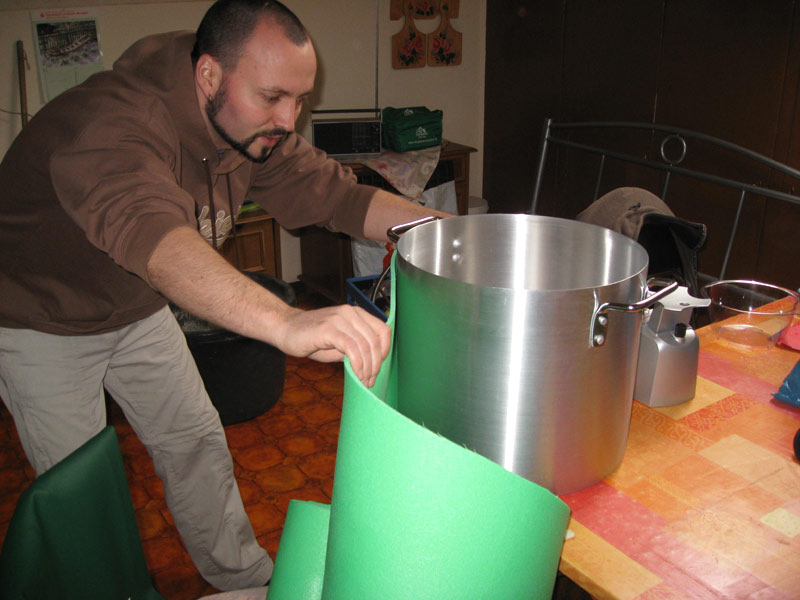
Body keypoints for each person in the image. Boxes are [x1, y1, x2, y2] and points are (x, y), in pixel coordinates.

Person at [0, 0, 449, 591]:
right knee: (82, 492)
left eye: (299, 100)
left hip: (135, 305)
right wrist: (287, 322)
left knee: (195, 441)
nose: (288, 120)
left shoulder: (245, 124)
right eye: (273, 97)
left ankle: (244, 579)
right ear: (209, 75)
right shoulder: (111, 126)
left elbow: (337, 195)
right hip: (42, 319)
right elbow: (156, 242)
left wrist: (446, 233)